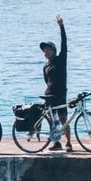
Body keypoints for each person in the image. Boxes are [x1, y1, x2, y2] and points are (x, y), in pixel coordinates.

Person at [39, 15, 70, 152]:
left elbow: (64, 42)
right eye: (44, 51)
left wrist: (61, 26)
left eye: (48, 50)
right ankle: (57, 143)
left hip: (61, 94)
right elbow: (47, 81)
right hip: (50, 95)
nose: (46, 52)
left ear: (54, 50)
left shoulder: (61, 59)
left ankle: (69, 143)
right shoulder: (46, 66)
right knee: (52, 120)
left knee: (64, 119)